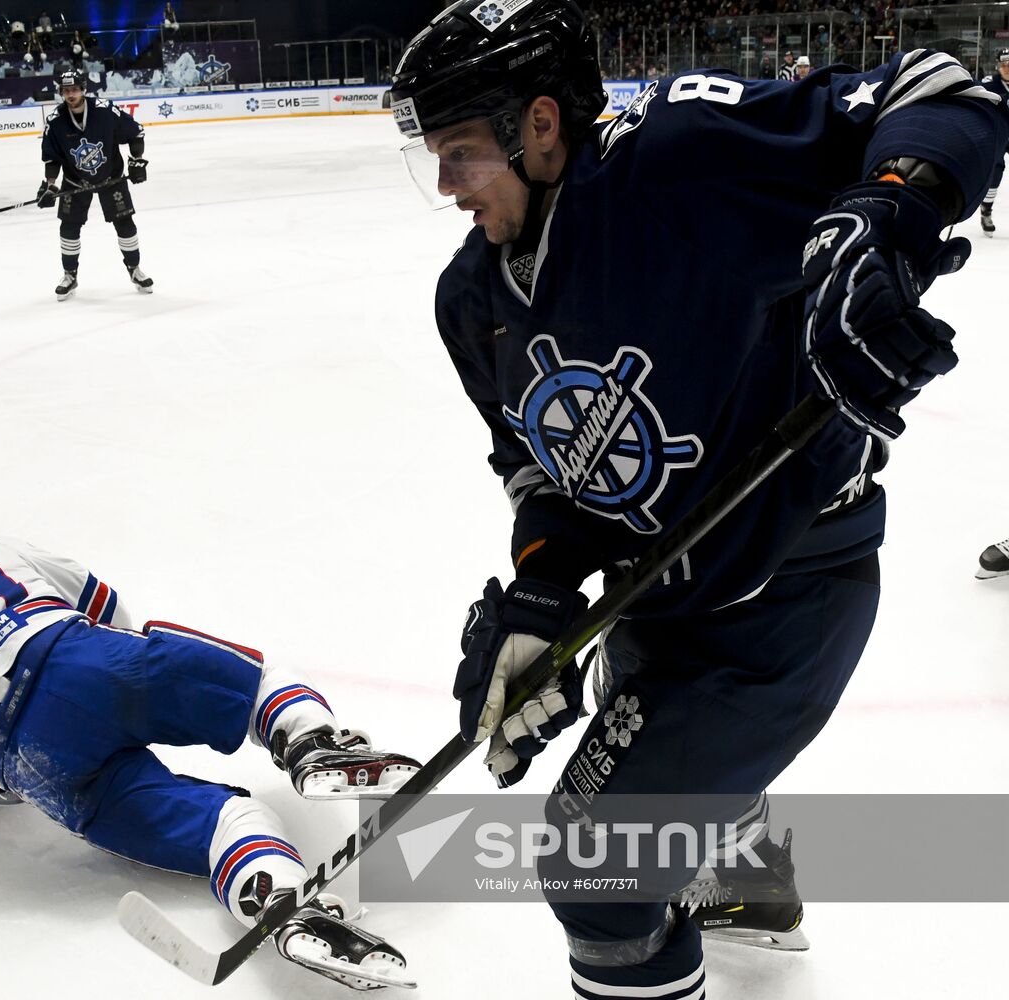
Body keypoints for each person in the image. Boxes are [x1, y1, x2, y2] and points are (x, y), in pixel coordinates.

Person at [389, 2, 1004, 997]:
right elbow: (538, 469)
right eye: (435, 159)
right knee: (646, 773)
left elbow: (936, 90)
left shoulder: (677, 158)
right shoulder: (470, 302)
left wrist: (889, 217)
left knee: (596, 866)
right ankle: (745, 891)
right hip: (656, 598)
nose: (448, 186)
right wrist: (543, 591)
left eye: (461, 152)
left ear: (539, 123)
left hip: (784, 594)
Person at [0, 519, 419, 990]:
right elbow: (102, 601)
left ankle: (278, 896)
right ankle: (310, 742)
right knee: (255, 686)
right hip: (82, 660)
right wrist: (122, 688)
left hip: (26, 761)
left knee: (226, 824)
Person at [37, 68, 153, 299]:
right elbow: (52, 158)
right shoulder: (55, 121)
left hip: (111, 177)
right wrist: (49, 186)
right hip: (75, 181)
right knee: (68, 227)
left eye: (75, 89)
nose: (71, 94)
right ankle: (70, 275)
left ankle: (134, 269)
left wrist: (137, 161)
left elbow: (135, 133)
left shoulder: (105, 110)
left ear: (83, 89)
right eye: (66, 91)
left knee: (124, 222)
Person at [978, 49, 1009, 235]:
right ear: (998, 66)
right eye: (1003, 65)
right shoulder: (989, 84)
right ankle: (986, 210)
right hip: (997, 134)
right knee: (996, 171)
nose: (1006, 68)